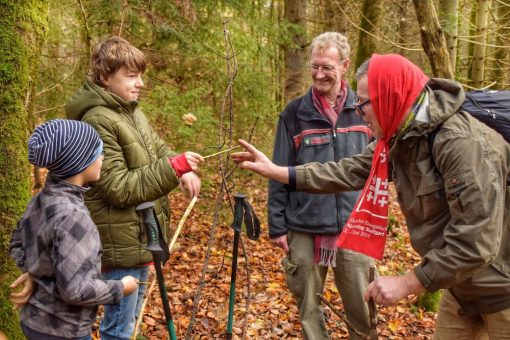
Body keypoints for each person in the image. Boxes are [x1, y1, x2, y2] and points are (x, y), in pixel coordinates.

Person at [232, 54, 510, 339]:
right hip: (460, 287)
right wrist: (278, 171)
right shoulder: (399, 137)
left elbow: (477, 242)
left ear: (391, 96)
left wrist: (409, 282)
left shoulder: (461, 143)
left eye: (364, 101)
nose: (359, 110)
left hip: (502, 291)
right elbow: (347, 170)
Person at [65, 36, 203, 340]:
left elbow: (158, 148)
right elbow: (117, 187)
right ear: (104, 77)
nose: (140, 83)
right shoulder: (98, 120)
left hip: (139, 236)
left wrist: (182, 169)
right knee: (119, 328)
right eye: (131, 75)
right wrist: (172, 168)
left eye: (140, 75)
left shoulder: (130, 111)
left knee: (128, 321)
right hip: (118, 243)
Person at [269, 32, 373, 339]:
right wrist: (277, 226)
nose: (318, 74)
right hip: (304, 227)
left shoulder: (364, 109)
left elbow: (376, 170)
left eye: (327, 67)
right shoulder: (294, 114)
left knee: (362, 308)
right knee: (308, 310)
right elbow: (277, 171)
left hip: (355, 227)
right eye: (314, 66)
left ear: (345, 64)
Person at [9, 119, 139, 340]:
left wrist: (38, 274)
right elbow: (76, 290)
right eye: (99, 152)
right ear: (80, 162)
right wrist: (121, 287)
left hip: (34, 320)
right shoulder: (74, 217)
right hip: (63, 330)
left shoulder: (42, 199)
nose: (103, 157)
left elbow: (17, 245)